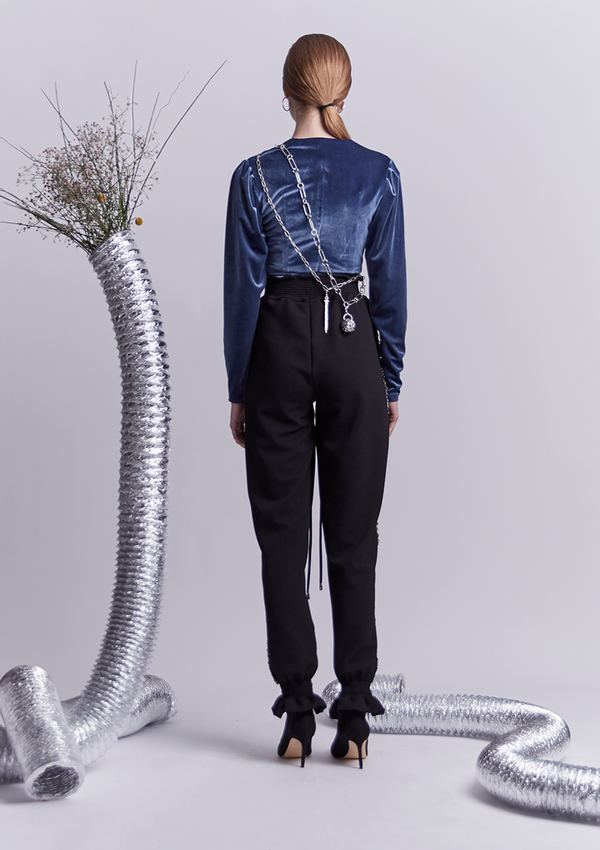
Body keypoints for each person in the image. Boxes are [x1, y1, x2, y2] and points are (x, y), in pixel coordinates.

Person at [224, 33, 407, 768]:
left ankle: (298, 714)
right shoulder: (379, 172)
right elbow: (389, 286)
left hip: (276, 343)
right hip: (352, 343)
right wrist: (389, 379)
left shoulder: (252, 175)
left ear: (286, 90)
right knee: (354, 537)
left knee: (282, 538)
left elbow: (243, 289)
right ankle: (354, 718)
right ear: (344, 90)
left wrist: (240, 386)